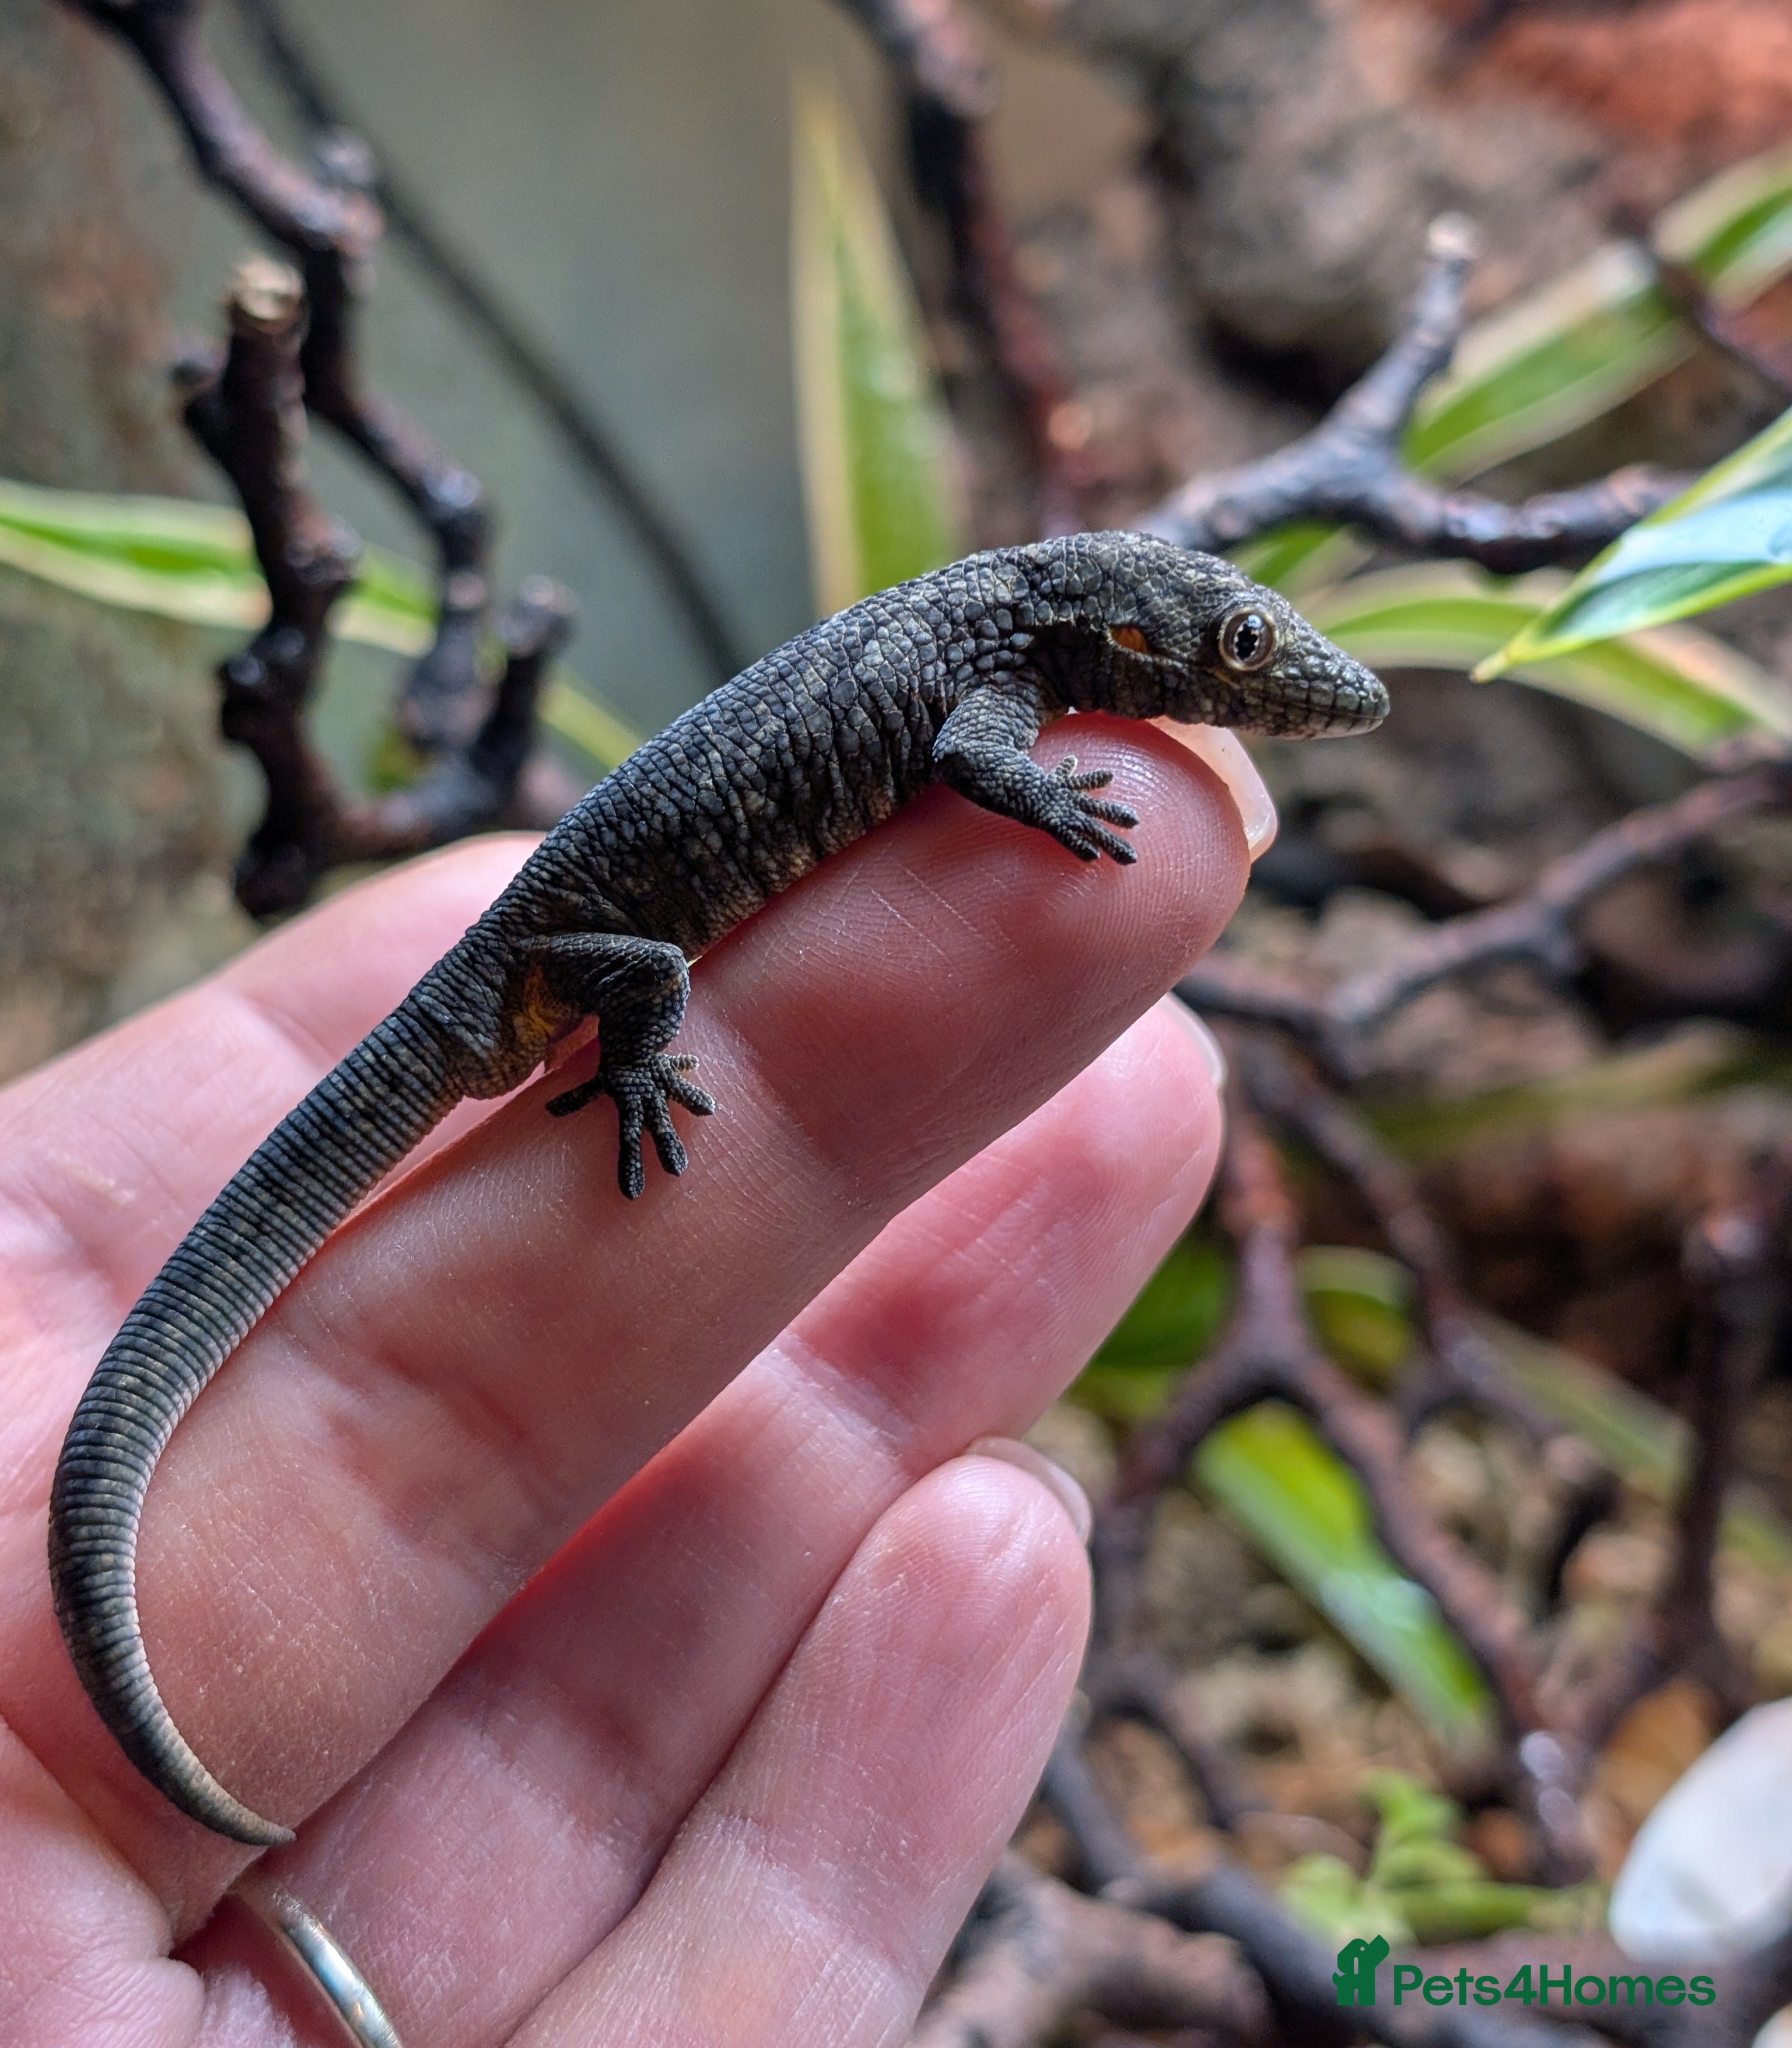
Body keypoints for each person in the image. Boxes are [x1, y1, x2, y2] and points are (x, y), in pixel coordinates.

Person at [0, 716, 1254, 2046]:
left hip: (562, 957)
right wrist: (637, 1060)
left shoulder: (994, 668)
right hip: (573, 965)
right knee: (645, 988)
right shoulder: (989, 683)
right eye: (1235, 656)